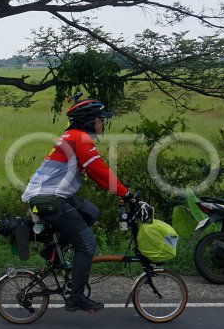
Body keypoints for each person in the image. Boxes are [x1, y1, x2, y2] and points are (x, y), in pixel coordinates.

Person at [22, 96, 152, 312]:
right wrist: (128, 195)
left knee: (91, 212)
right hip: (49, 198)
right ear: (89, 121)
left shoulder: (72, 136)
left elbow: (97, 175)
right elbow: (99, 171)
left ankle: (53, 252)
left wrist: (119, 192)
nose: (102, 123)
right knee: (87, 244)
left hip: (54, 194)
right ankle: (76, 297)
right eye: (100, 119)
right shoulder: (79, 138)